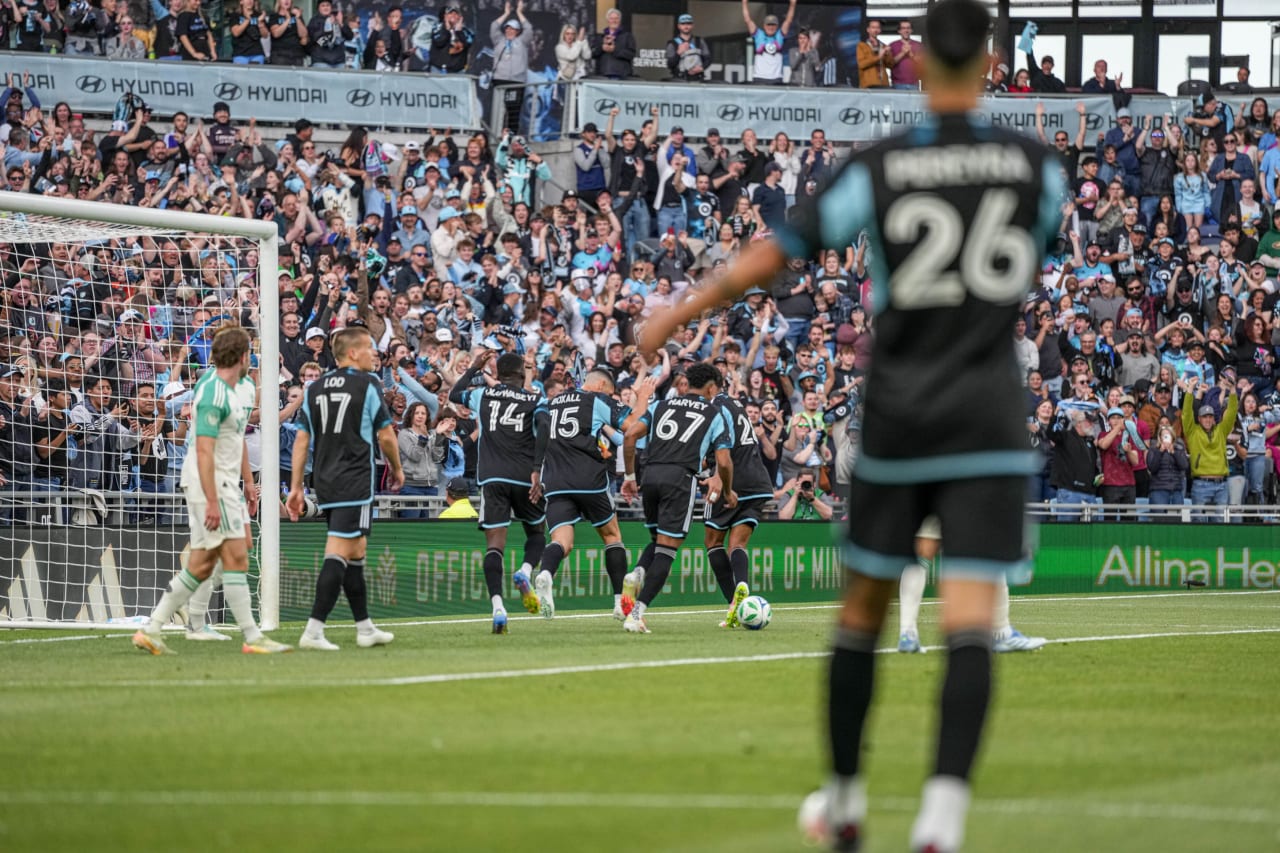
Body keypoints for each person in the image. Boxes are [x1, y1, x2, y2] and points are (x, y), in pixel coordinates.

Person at [637, 2, 1064, 847]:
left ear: (915, 64)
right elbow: (1026, 259)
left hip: (901, 410)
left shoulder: (880, 165)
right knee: (972, 619)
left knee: (862, 615)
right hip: (988, 413)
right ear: (986, 60)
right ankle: (942, 814)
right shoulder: (1035, 166)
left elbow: (778, 254)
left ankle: (843, 799)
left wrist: (684, 309)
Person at [132, 326, 290, 655]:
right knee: (235, 555)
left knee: (205, 563)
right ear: (243, 356)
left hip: (228, 480)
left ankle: (154, 627)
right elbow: (203, 449)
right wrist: (213, 499)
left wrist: (249, 482)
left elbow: (238, 439)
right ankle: (252, 636)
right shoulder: (211, 391)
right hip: (207, 480)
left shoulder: (245, 388)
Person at [286, 326, 403, 651]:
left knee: (356, 549)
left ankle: (365, 628)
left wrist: (297, 487)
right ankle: (313, 630)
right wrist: (397, 469)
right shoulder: (367, 385)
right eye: (368, 348)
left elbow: (302, 439)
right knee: (339, 550)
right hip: (354, 478)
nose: (373, 354)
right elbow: (386, 435)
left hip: (324, 479)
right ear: (352, 353)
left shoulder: (315, 387)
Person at [621, 362, 733, 634]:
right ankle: (636, 614)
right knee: (667, 551)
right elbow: (725, 461)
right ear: (710, 387)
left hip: (650, 476)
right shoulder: (715, 412)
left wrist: (630, 477)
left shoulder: (661, 406)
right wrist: (727, 491)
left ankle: (635, 574)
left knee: (655, 541)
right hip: (680, 479)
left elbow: (630, 435)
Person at [537, 371, 654, 621]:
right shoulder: (595, 400)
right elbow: (632, 426)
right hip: (588, 481)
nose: (610, 397)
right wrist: (643, 397)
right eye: (610, 393)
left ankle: (546, 574)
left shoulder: (551, 402)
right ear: (600, 385)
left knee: (561, 542)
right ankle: (618, 603)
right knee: (612, 536)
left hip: (555, 481)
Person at [447, 350, 548, 634]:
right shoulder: (535, 399)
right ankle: (526, 571)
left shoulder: (481, 395)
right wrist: (537, 469)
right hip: (524, 476)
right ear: (521, 375)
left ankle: (498, 608)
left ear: (499, 374)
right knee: (538, 532)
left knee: (494, 546)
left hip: (492, 478)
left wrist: (474, 369)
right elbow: (543, 426)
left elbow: (455, 394)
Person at [897, 516, 1046, 655]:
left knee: (924, 550)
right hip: (965, 492)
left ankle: (907, 634)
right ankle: (1001, 632)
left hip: (932, 490)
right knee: (986, 548)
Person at [705, 389, 775, 628]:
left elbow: (723, 448)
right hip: (758, 481)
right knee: (738, 545)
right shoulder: (736, 404)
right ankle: (743, 586)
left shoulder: (715, 406)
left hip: (732, 479)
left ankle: (732, 603)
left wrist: (717, 476)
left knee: (713, 542)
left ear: (710, 388)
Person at [1182, 376, 1237, 515]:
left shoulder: (1221, 430)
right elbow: (1186, 413)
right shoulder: (1192, 431)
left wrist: (1233, 390)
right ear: (1199, 419)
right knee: (1199, 524)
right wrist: (1189, 390)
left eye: (1210, 416)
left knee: (1220, 524)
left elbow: (1231, 413)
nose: (1207, 419)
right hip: (1201, 483)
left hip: (1221, 484)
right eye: (1204, 417)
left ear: (1214, 419)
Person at [741, 0, 796, 85]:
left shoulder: (779, 36)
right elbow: (747, 20)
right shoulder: (759, 35)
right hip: (759, 78)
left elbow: (788, 20)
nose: (770, 27)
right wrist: (744, 3)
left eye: (773, 24)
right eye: (768, 24)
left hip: (776, 79)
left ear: (777, 26)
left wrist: (793, 4)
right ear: (764, 25)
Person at [590, 8, 636, 80]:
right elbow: (592, 53)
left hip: (621, 76)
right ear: (608, 20)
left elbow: (631, 54)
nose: (614, 21)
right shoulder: (600, 37)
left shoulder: (627, 36)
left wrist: (615, 50)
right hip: (602, 75)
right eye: (611, 18)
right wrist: (602, 47)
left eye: (616, 18)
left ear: (620, 20)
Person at [666, 13, 709, 82]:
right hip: (679, 80)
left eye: (688, 23)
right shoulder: (672, 43)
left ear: (692, 26)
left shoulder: (699, 41)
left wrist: (701, 68)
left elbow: (708, 59)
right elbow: (670, 64)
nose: (686, 26)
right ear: (678, 26)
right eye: (683, 24)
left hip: (697, 78)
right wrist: (678, 53)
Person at [856, 20, 890, 88]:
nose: (875, 30)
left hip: (883, 83)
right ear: (868, 30)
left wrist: (887, 54)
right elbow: (861, 64)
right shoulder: (862, 45)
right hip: (869, 84)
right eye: (873, 27)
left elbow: (890, 65)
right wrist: (879, 57)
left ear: (880, 30)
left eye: (878, 27)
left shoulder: (883, 46)